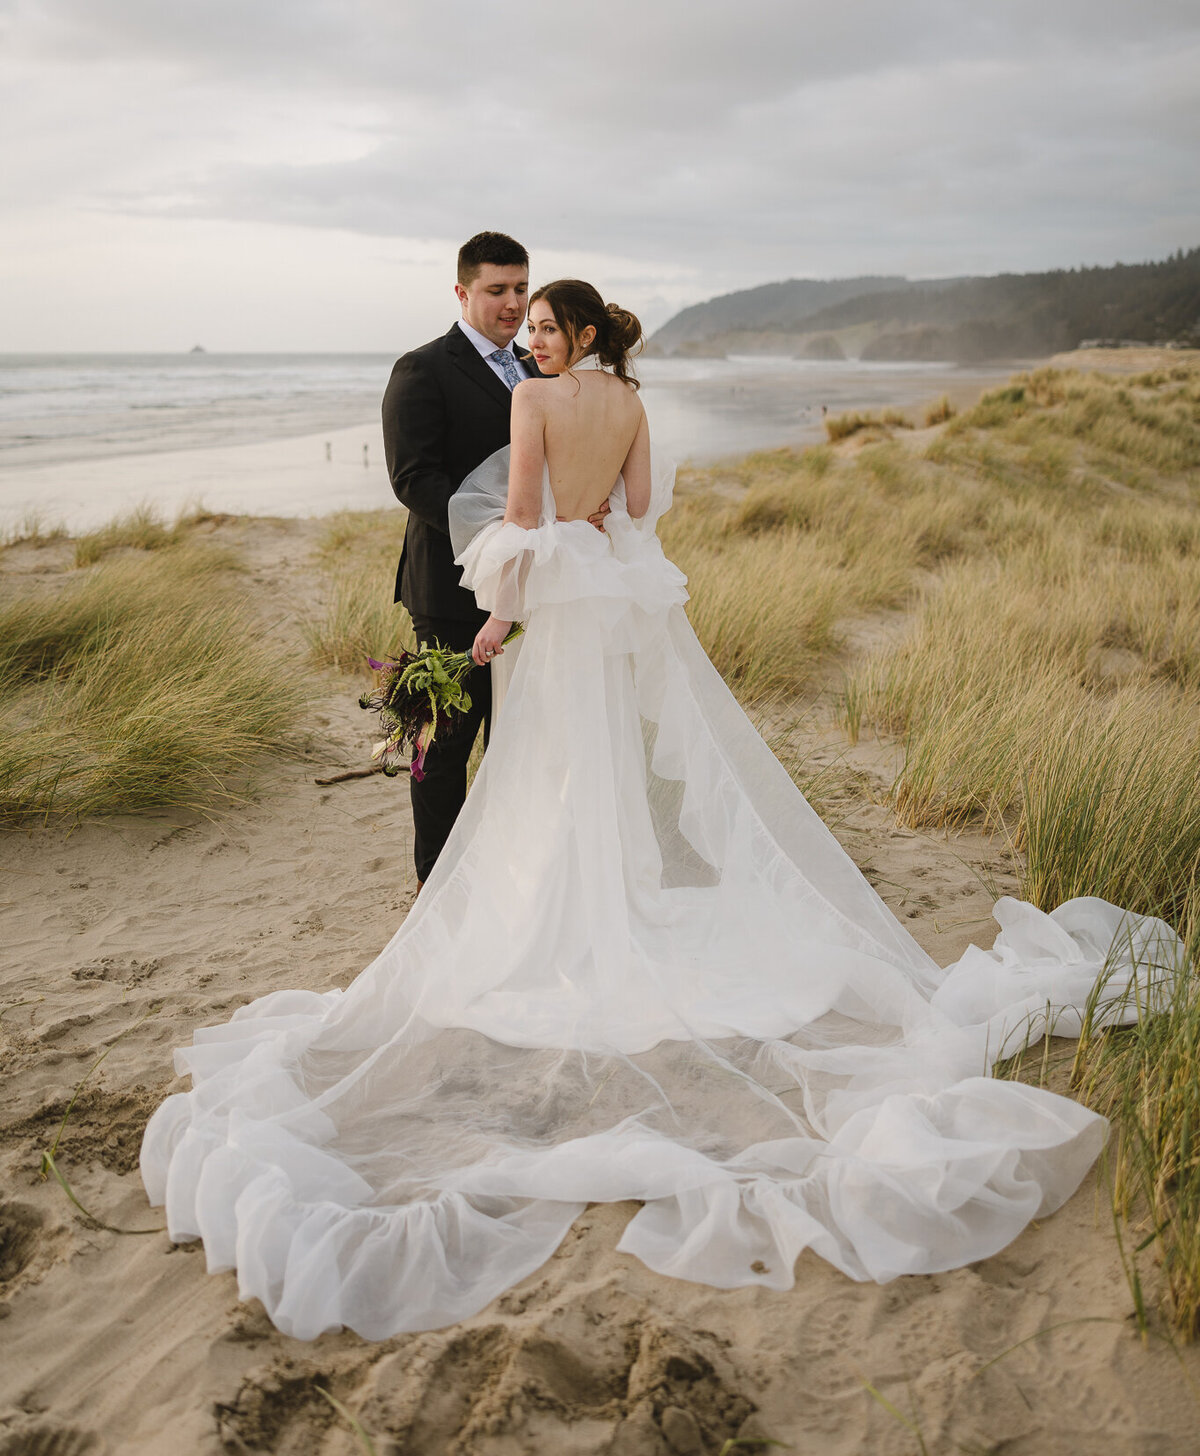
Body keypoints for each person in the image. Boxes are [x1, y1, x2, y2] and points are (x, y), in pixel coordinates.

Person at [141, 280, 1178, 1342]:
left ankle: (576, 913)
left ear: (576, 334)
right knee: (601, 765)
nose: (531, 338)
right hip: (613, 605)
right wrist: (589, 531)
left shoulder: (534, 405)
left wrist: (493, 626)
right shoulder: (631, 404)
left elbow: (524, 519)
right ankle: (613, 895)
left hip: (558, 608)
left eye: (545, 325)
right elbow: (633, 517)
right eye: (525, 322)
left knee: (549, 768)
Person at [381, 230, 538, 886]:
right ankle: (436, 884)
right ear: (462, 291)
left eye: (521, 289)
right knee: (445, 743)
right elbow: (413, 479)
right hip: (449, 591)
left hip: (529, 588)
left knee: (516, 742)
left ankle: (505, 878)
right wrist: (501, 529)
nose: (512, 304)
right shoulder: (422, 369)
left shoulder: (536, 368)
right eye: (496, 290)